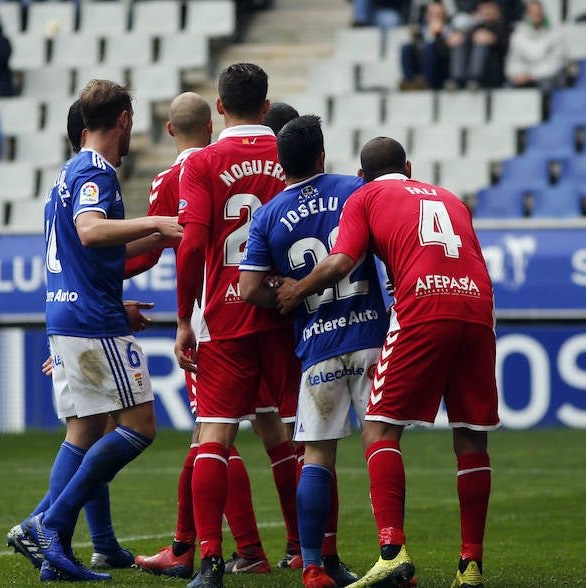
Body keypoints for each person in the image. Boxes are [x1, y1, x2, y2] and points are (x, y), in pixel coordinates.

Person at [276, 136, 499, 588]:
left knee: (378, 428)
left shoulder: (366, 195)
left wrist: (297, 289)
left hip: (423, 306)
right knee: (472, 438)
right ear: (410, 168)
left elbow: (340, 261)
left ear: (361, 176)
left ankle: (392, 551)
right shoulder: (450, 198)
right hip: (478, 308)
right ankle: (470, 566)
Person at [14, 79, 182, 582]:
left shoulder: (66, 174)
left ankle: (55, 553)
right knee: (139, 426)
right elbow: (90, 230)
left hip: (72, 312)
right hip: (92, 320)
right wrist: (155, 219)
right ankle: (48, 523)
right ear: (124, 121)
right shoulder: (96, 172)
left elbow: (90, 249)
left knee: (87, 431)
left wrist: (158, 236)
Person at [133, 96, 301, 580]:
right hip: (277, 309)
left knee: (212, 434)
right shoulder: (283, 158)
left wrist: (96, 274)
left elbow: (167, 248)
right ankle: (301, 546)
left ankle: (220, 548)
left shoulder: (182, 173)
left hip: (219, 316)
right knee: (281, 433)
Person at [240, 115, 389, 588]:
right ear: (322, 155)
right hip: (369, 337)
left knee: (316, 455)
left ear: (281, 165)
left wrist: (287, 296)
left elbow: (248, 289)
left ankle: (311, 566)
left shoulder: (265, 215)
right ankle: (393, 549)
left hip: (319, 346)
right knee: (382, 447)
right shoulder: (356, 190)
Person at [504, 0, 567, 96]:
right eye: (532, 13)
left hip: (546, 76)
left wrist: (533, 75)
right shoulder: (518, 34)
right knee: (508, 86)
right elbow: (513, 60)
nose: (536, 16)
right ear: (527, 15)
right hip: (525, 75)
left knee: (546, 84)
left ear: (543, 13)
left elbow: (556, 62)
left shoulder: (555, 33)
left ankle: (546, 109)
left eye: (538, 12)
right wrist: (518, 74)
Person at [446, 0, 510, 90]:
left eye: (490, 8)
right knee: (459, 41)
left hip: (494, 71)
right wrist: (452, 39)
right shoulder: (475, 28)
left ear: (497, 10)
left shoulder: (505, 27)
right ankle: (457, 79)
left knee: (481, 45)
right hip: (468, 70)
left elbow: (509, 50)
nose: (488, 11)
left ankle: (474, 79)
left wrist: (494, 40)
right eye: (484, 8)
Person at [400, 1, 452, 90]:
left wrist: (438, 36)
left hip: (440, 71)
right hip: (421, 66)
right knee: (406, 47)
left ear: (444, 16)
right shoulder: (422, 30)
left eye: (438, 14)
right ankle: (409, 81)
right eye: (432, 14)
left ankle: (426, 82)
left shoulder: (449, 30)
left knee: (430, 47)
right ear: (427, 16)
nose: (435, 17)